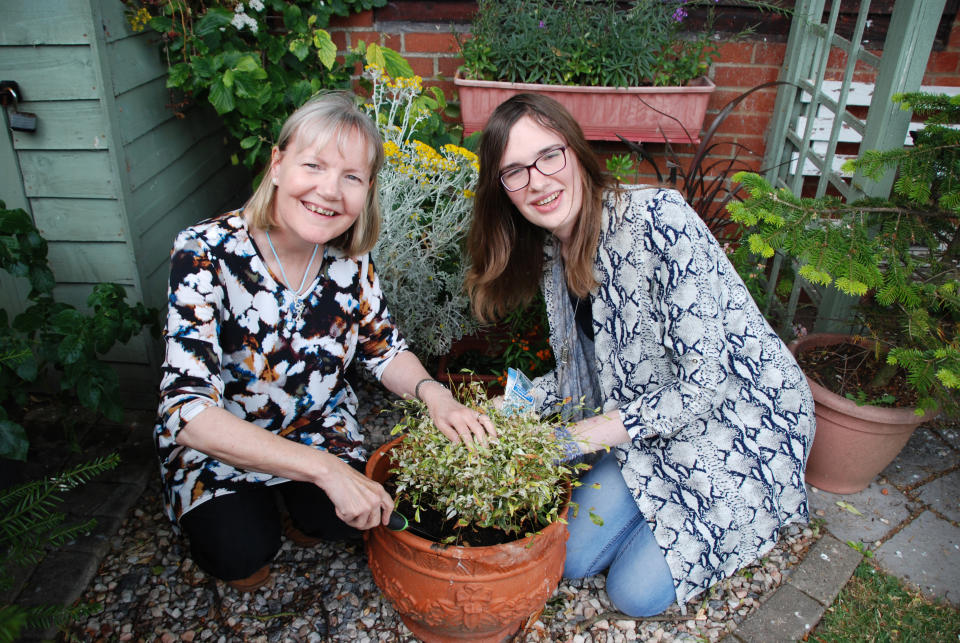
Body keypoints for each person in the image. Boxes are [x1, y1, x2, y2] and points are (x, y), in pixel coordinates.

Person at [465, 93, 815, 616]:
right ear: (503, 190)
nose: (537, 181)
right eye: (514, 171)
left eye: (548, 156)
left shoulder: (659, 219)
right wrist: (511, 410)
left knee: (633, 593)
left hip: (739, 420)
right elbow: (585, 375)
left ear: (576, 152)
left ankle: (762, 503)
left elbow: (704, 386)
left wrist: (571, 439)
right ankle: (657, 511)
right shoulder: (549, 252)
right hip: (648, 425)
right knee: (573, 557)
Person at [154, 92, 494, 592]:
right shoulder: (205, 252)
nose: (330, 191)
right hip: (222, 445)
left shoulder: (348, 260)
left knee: (348, 520)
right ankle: (270, 507)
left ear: (368, 189)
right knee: (239, 551)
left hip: (315, 427)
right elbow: (185, 410)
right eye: (313, 165)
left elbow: (385, 348)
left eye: (351, 177)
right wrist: (327, 472)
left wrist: (435, 395)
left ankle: (303, 508)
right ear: (277, 164)